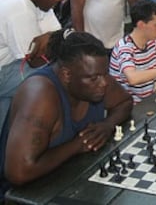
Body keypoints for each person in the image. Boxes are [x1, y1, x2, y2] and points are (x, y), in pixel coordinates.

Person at [0, 29, 133, 201]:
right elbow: (19, 172)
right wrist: (78, 145)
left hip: (74, 181)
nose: (104, 83)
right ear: (66, 74)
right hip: (25, 197)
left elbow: (124, 102)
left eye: (105, 74)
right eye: (94, 78)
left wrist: (108, 125)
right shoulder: (40, 95)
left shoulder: (94, 77)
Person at [0, 0, 63, 133]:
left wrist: (51, 37)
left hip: (9, 64)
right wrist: (55, 41)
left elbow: (59, 36)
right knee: (57, 75)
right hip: (5, 70)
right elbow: (35, 60)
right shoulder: (18, 7)